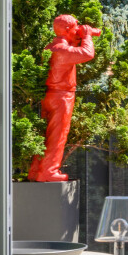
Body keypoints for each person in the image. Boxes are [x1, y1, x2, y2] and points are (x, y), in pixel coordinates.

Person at [26, 14, 102, 182]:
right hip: (62, 96)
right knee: (58, 134)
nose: (78, 28)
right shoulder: (63, 50)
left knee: (46, 134)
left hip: (50, 94)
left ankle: (36, 170)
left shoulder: (52, 46)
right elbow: (87, 53)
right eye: (75, 26)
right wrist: (87, 35)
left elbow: (73, 50)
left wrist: (76, 37)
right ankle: (49, 171)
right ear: (67, 29)